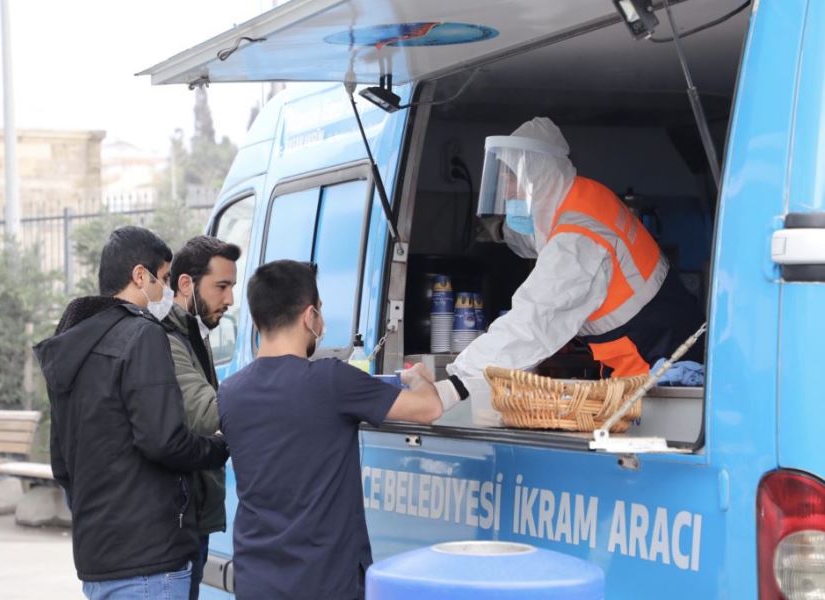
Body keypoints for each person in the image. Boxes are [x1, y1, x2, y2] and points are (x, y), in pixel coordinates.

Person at [218, 260, 449, 600]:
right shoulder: (332, 380)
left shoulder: (230, 392)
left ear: (255, 320)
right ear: (310, 316)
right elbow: (429, 408)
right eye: (321, 313)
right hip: (325, 583)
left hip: (256, 581)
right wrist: (416, 378)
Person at [437, 117, 704, 405]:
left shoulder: (579, 237)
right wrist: (501, 231)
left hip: (658, 355)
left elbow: (534, 322)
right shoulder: (576, 196)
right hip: (644, 344)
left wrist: (458, 384)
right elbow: (535, 236)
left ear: (538, 173)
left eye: (512, 174)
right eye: (501, 174)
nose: (504, 185)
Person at [34, 226, 229, 599]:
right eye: (165, 279)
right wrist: (218, 447)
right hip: (152, 559)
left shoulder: (69, 344)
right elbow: (164, 441)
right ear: (140, 276)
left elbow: (61, 461)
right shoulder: (143, 336)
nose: (167, 292)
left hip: (98, 562)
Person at [162, 235, 240, 600]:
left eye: (232, 287)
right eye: (221, 286)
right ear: (185, 284)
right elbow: (209, 413)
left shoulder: (196, 333)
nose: (230, 300)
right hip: (178, 519)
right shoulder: (167, 338)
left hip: (196, 517)